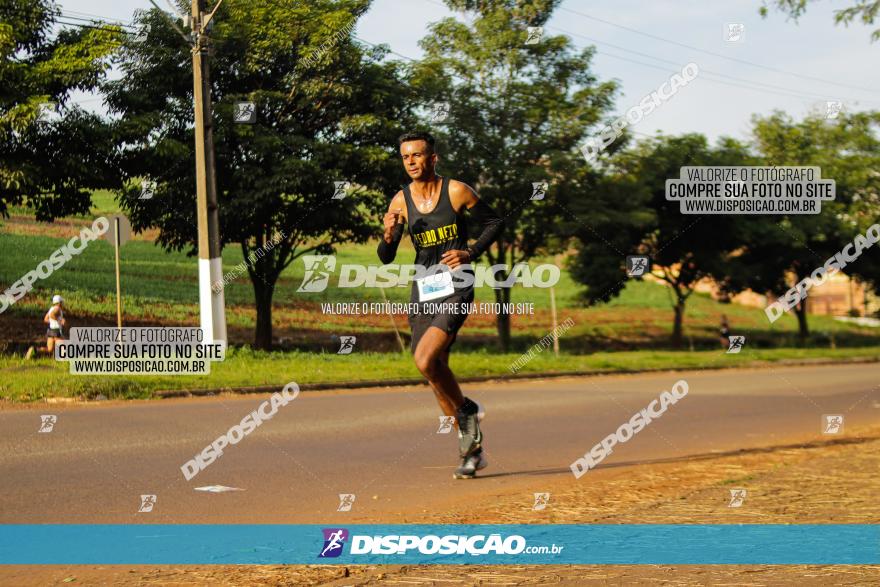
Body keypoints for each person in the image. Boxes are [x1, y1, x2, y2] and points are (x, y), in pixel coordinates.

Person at [377, 131, 503, 479]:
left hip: (456, 284)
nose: (411, 162)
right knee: (433, 372)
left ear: (433, 158)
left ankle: (468, 411)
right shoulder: (400, 201)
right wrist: (388, 236)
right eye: (405, 157)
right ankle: (471, 451)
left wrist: (470, 252)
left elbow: (494, 222)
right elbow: (386, 257)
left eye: (417, 155)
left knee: (425, 358)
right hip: (424, 288)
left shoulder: (457, 191)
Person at [25, 294, 66, 359]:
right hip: (56, 331)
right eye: (62, 302)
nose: (63, 303)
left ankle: (35, 349)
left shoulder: (51, 309)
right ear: (59, 303)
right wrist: (60, 321)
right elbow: (52, 315)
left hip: (50, 331)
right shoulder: (57, 308)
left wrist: (53, 321)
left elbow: (46, 319)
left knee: (50, 350)